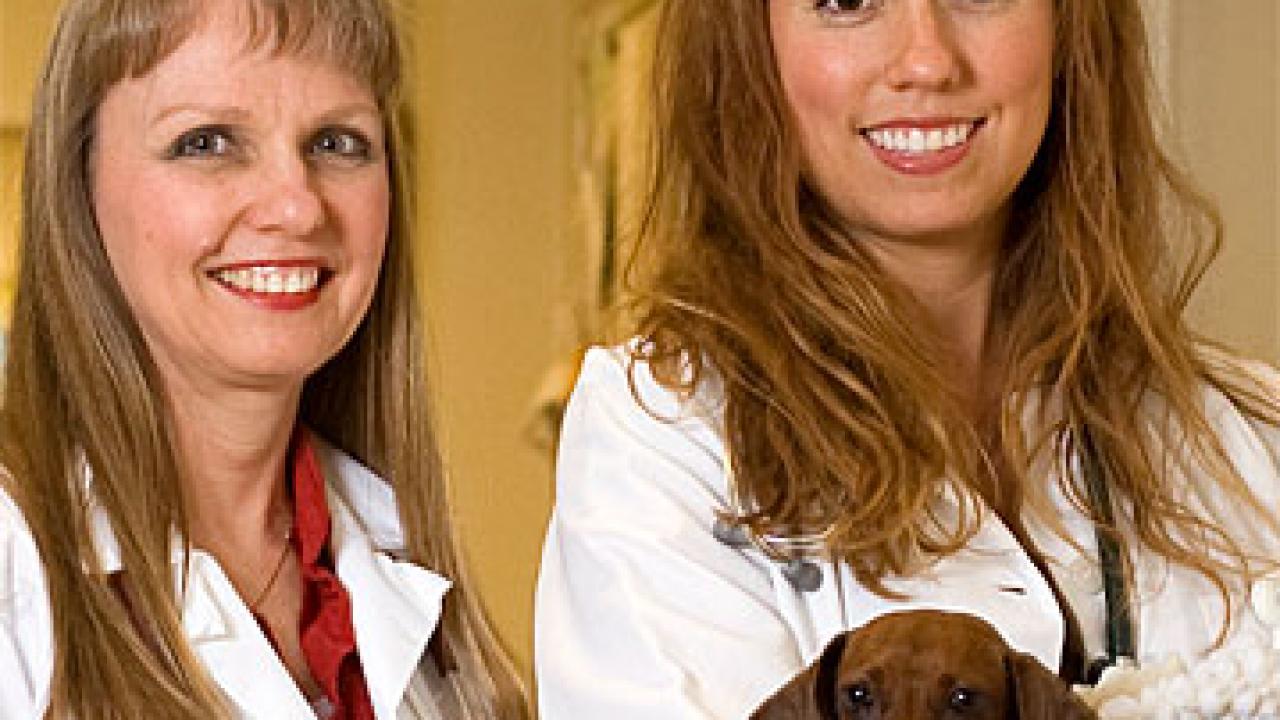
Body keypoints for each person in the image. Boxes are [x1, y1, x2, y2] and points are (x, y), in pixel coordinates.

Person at [535, 0, 1280, 717]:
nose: (926, 61)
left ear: (1072, 27)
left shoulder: (1252, 434)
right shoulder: (663, 441)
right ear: (745, 49)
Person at [0, 0, 528, 717]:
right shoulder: (13, 564)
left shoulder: (393, 563)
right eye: (208, 142)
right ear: (77, 187)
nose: (297, 207)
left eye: (337, 144)